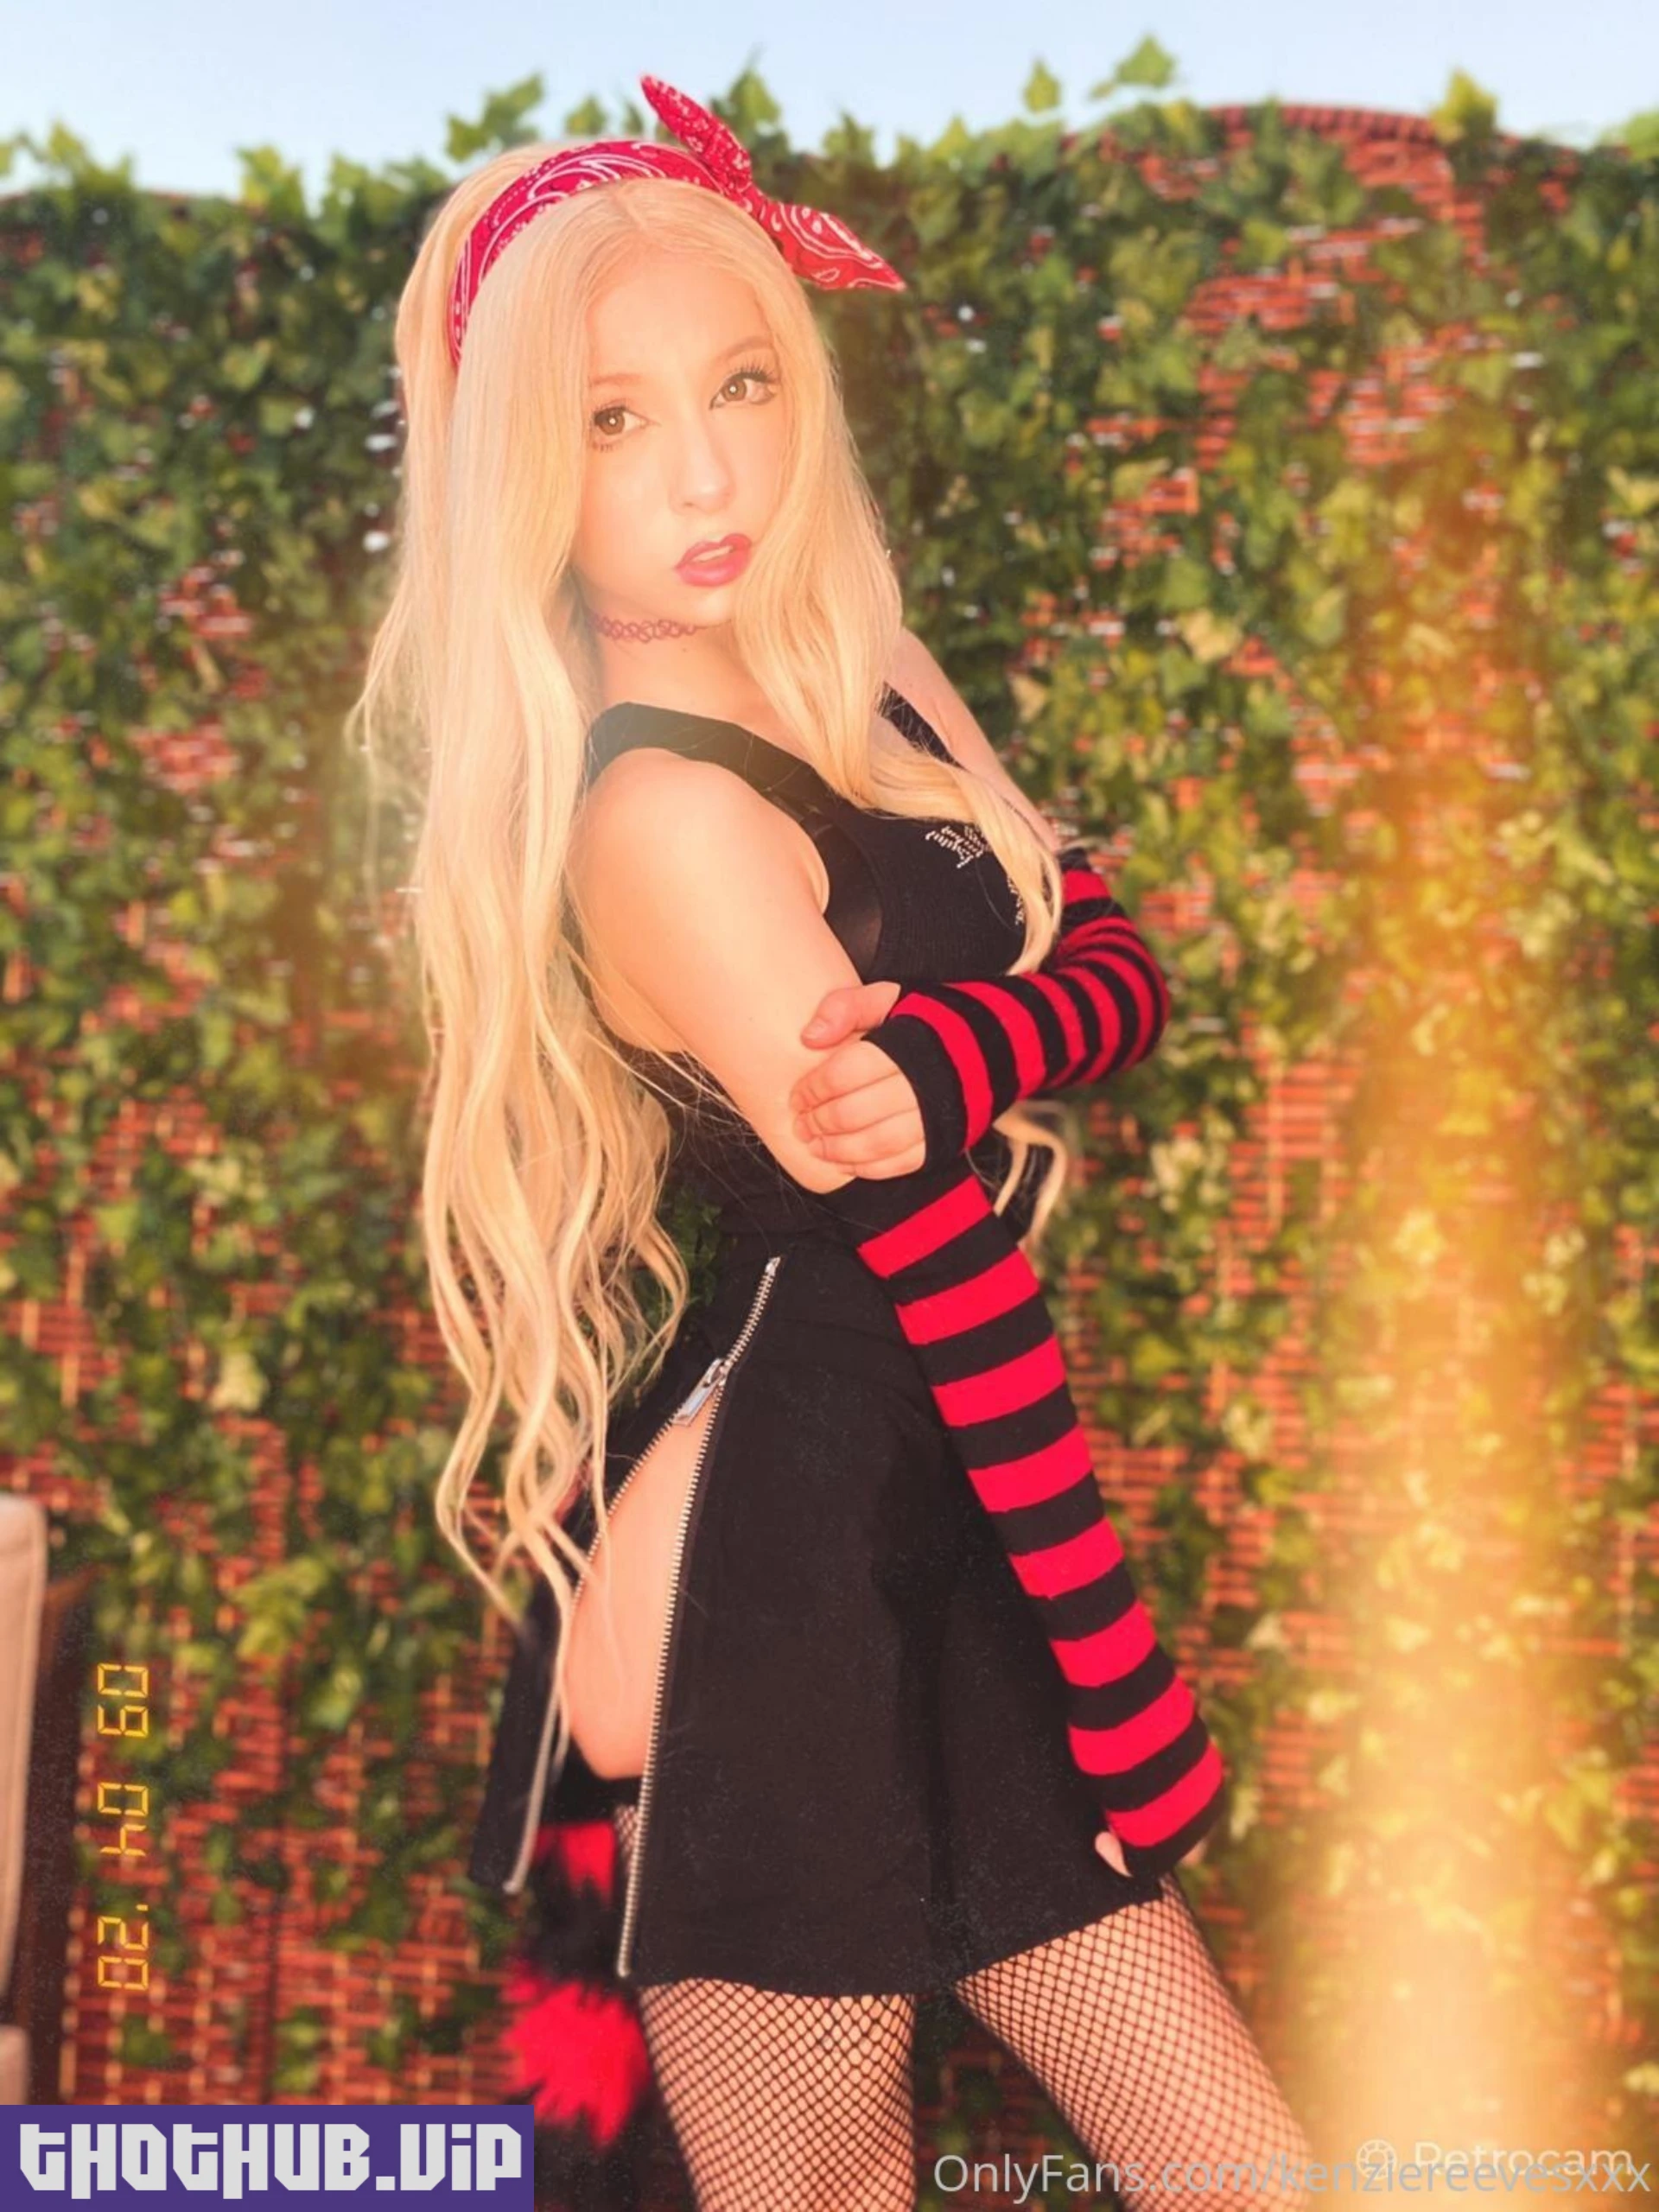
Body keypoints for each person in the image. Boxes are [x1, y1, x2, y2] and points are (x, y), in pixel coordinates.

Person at [353, 74, 1313, 2212]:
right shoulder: (657, 809)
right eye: (613, 421)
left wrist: (962, 1052)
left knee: (1255, 2171)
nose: (707, 472)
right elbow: (939, 1261)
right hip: (778, 1572)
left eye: (744, 384)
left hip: (947, 1522)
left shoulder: (860, 663)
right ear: (524, 469)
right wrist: (1120, 1676)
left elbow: (1114, 961)